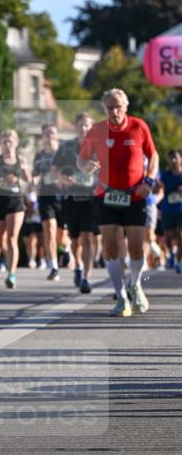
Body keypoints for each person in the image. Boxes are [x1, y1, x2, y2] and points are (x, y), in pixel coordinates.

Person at [77, 88, 159, 317]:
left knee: (135, 246)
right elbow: (81, 159)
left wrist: (149, 182)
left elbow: (153, 155)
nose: (114, 111)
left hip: (135, 195)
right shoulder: (96, 130)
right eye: (110, 107)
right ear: (105, 109)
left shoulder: (139, 126)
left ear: (126, 107)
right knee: (111, 246)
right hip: (106, 195)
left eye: (118, 107)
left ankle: (135, 284)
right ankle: (121, 296)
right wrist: (85, 166)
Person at [53, 112, 100, 294]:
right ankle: (78, 265)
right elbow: (54, 169)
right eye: (81, 125)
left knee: (88, 237)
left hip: (91, 198)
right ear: (76, 127)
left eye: (87, 125)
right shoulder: (67, 147)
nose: (84, 129)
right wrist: (63, 179)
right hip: (71, 198)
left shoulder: (98, 148)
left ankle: (86, 278)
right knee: (74, 239)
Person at [0, 129, 31, 289]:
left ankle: (11, 274)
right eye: (4, 139)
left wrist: (22, 175)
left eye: (10, 139)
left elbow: (28, 180)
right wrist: (1, 180)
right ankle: (7, 259)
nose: (8, 142)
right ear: (1, 143)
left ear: (16, 142)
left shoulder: (21, 159)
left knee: (12, 238)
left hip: (16, 201)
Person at [32, 124, 62, 281]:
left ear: (57, 136)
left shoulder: (63, 152)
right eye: (46, 134)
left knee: (63, 236)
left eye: (52, 133)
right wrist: (34, 182)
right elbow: (34, 174)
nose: (49, 137)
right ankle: (54, 266)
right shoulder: (39, 156)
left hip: (63, 195)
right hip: (45, 195)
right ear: (42, 137)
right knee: (49, 230)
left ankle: (66, 250)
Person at [159, 149, 182, 272]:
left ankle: (179, 262)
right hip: (168, 209)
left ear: (181, 160)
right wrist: (158, 186)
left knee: (180, 235)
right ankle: (172, 254)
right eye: (171, 158)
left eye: (176, 158)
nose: (173, 161)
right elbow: (158, 188)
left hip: (181, 210)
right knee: (168, 238)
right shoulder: (165, 175)